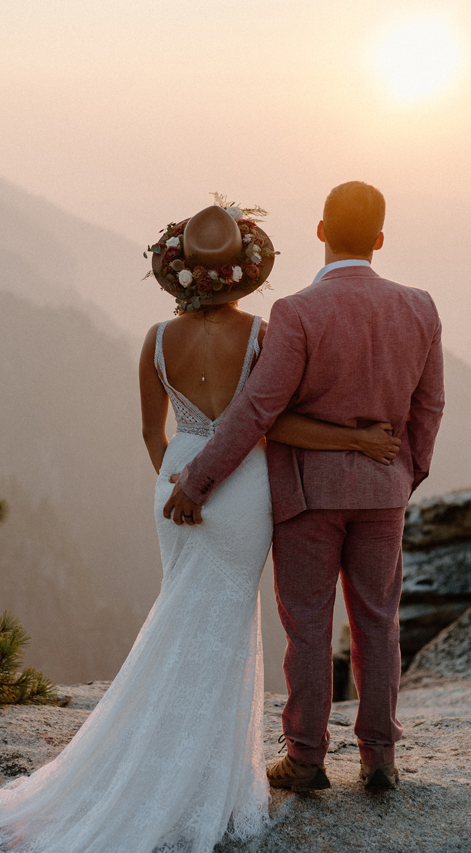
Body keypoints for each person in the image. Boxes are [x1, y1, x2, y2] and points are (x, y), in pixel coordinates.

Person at [0, 202, 398, 853]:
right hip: (240, 490)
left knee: (180, 611)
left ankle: (157, 769)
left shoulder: (156, 339)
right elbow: (268, 422)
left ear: (179, 272)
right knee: (225, 624)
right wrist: (355, 442)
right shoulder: (262, 336)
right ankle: (209, 781)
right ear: (243, 272)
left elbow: (151, 428)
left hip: (174, 481)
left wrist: (175, 480)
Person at [166, 183, 445, 793]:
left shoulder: (297, 312)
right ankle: (378, 757)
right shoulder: (420, 307)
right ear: (378, 239)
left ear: (321, 231)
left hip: (306, 496)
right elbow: (430, 407)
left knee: (309, 627)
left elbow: (258, 408)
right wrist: (404, 475)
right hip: (383, 493)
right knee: (379, 621)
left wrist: (199, 479)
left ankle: (307, 756)